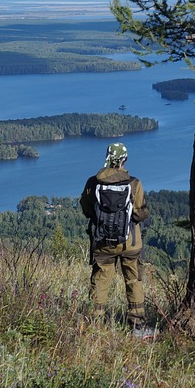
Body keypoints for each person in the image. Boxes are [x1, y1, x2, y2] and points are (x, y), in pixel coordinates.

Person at [80, 142, 151, 336]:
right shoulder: (134, 183)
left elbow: (86, 209)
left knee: (101, 280)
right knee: (133, 280)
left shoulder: (93, 182)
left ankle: (94, 324)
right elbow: (141, 213)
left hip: (103, 242)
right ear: (124, 160)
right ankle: (137, 326)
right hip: (130, 242)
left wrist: (102, 219)